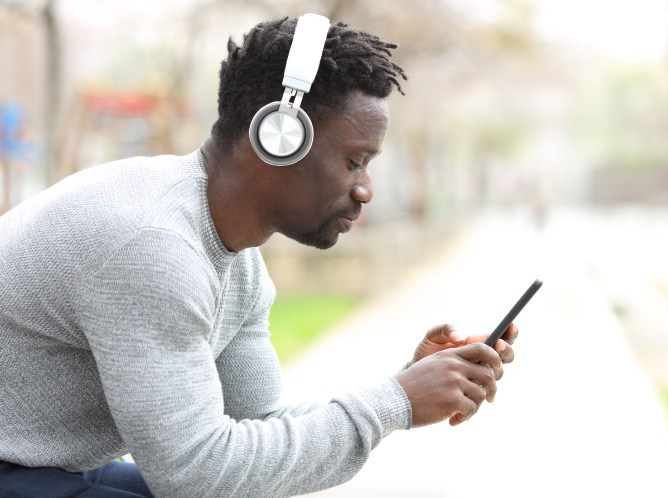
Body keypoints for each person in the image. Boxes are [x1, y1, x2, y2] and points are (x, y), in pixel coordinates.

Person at [0, 15, 518, 498]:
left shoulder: (235, 258)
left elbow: (258, 429)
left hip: (42, 467)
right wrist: (396, 402)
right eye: (353, 161)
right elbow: (195, 474)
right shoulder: (153, 246)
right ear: (277, 138)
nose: (366, 190)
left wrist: (406, 383)